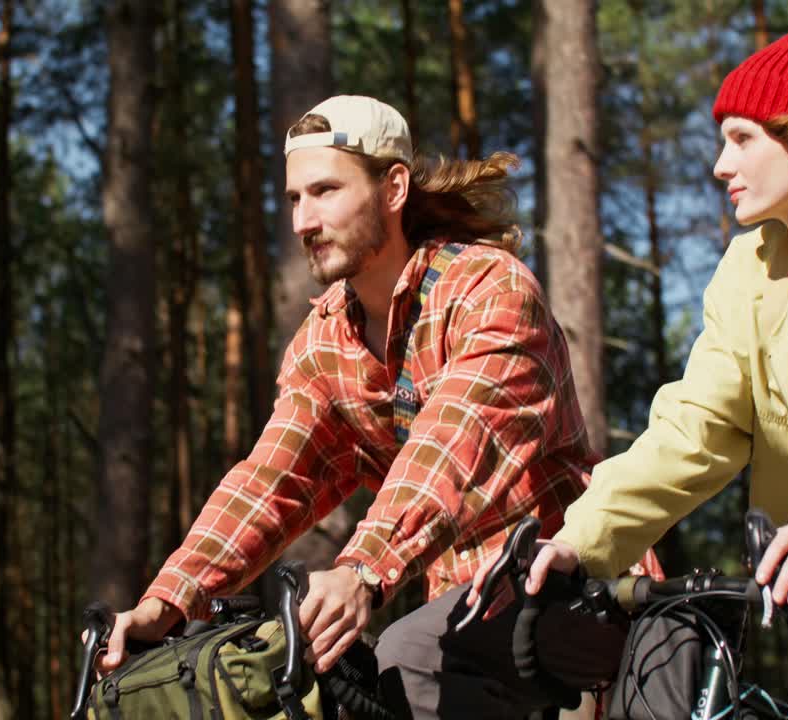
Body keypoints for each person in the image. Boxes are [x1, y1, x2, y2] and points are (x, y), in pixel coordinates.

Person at [471, 22, 788, 720]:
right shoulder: (753, 274)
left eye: (742, 139)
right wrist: (586, 539)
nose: (718, 166)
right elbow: (694, 429)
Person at [96, 95, 636, 718]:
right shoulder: (324, 341)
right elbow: (270, 481)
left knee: (405, 655)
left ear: (394, 188)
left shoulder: (490, 290)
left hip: (578, 589)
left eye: (325, 191)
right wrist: (167, 603)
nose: (303, 220)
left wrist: (362, 570)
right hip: (464, 629)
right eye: (295, 198)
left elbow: (451, 446)